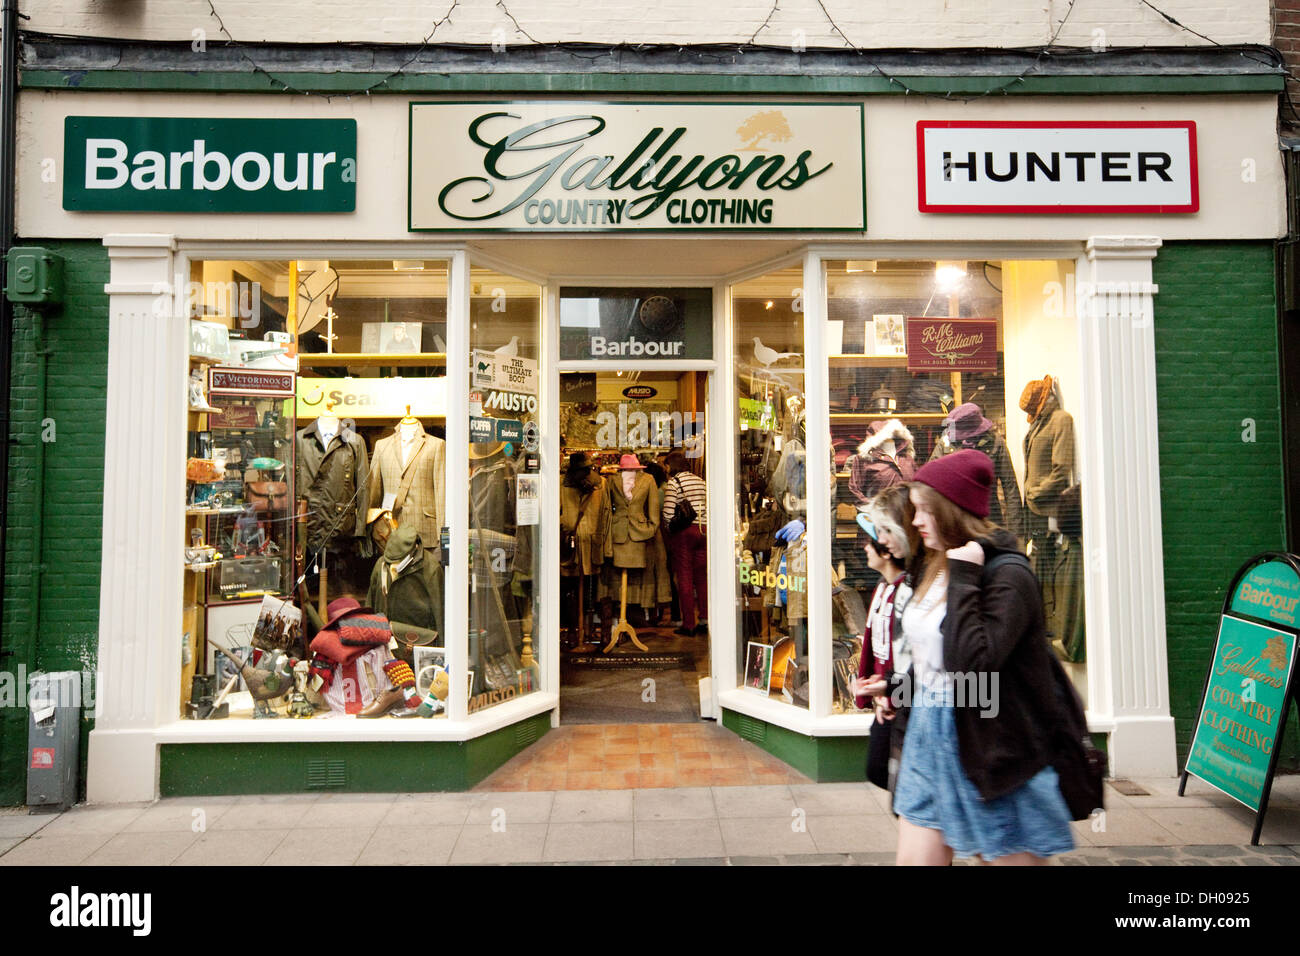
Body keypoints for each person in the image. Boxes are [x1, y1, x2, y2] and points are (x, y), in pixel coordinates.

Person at [891, 448, 1075, 866]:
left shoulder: (1008, 575)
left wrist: (966, 578)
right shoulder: (932, 565)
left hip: (987, 739)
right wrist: (894, 695)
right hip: (926, 733)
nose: (916, 521)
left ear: (951, 511)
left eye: (924, 510)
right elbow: (920, 657)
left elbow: (973, 666)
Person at [849, 485, 920, 789]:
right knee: (883, 773)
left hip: (902, 702)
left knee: (888, 775)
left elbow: (909, 657)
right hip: (891, 698)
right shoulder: (883, 589)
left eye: (875, 536)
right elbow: (873, 646)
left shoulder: (907, 591)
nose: (868, 546)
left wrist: (892, 695)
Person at [662, 450, 708, 637]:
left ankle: (689, 623)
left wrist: (669, 528)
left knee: (685, 578)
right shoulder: (701, 481)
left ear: (671, 466)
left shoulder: (674, 483)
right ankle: (705, 619)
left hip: (684, 533)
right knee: (702, 577)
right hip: (704, 530)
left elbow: (667, 512)